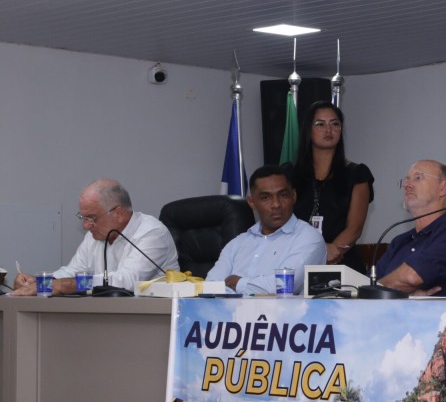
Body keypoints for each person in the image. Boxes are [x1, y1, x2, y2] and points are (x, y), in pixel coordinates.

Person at [10, 178, 178, 296]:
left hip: (153, 319)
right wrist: (40, 282)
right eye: (83, 218)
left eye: (92, 218)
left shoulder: (152, 232)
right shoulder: (96, 234)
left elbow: (127, 281)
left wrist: (62, 285)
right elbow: (73, 271)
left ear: (119, 213)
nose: (86, 226)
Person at [206, 165, 327, 295]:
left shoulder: (308, 238)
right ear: (252, 202)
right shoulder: (237, 243)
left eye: (283, 195)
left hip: (283, 309)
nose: (276, 204)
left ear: (294, 196)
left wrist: (238, 283)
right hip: (232, 309)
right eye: (266, 197)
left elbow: (284, 286)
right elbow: (210, 286)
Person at [374, 160, 446, 296]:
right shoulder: (399, 241)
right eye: (406, 180)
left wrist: (376, 290)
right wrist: (399, 292)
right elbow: (364, 283)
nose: (406, 185)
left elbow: (410, 278)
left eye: (418, 178)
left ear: (443, 188)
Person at [289, 101, 374, 272]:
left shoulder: (357, 173)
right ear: (308, 130)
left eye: (335, 124)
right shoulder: (289, 173)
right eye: (320, 124)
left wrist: (327, 253)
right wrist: (314, 253)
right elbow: (283, 222)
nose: (329, 130)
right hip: (296, 260)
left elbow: (354, 229)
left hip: (341, 261)